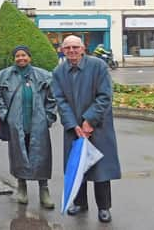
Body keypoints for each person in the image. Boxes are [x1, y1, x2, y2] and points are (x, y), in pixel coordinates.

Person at [52, 35, 121, 223]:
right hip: (73, 128)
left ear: (83, 48)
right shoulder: (58, 72)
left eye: (75, 47)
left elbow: (105, 96)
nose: (72, 51)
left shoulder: (97, 66)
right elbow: (61, 101)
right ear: (62, 50)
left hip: (99, 126)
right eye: (68, 48)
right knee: (77, 166)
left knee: (101, 170)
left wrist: (89, 121)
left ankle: (104, 207)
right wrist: (73, 124)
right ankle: (80, 202)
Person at [0, 45, 57, 209]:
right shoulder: (4, 76)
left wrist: (48, 118)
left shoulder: (43, 75)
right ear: (14, 58)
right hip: (16, 124)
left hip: (38, 124)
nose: (21, 58)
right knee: (18, 155)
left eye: (24, 55)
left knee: (42, 156)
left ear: (29, 57)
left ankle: (44, 189)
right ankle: (21, 186)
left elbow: (52, 98)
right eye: (17, 56)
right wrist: (4, 115)